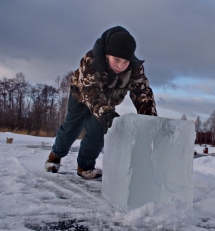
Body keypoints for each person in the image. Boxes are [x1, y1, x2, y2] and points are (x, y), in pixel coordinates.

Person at [45, 26, 157, 180]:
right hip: (82, 96)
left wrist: (149, 118)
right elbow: (92, 93)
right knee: (72, 128)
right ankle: (55, 154)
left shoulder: (135, 68)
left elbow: (142, 92)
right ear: (106, 54)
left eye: (125, 61)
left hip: (108, 100)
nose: (120, 65)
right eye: (116, 60)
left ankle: (85, 166)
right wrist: (106, 113)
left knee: (98, 131)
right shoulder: (91, 60)